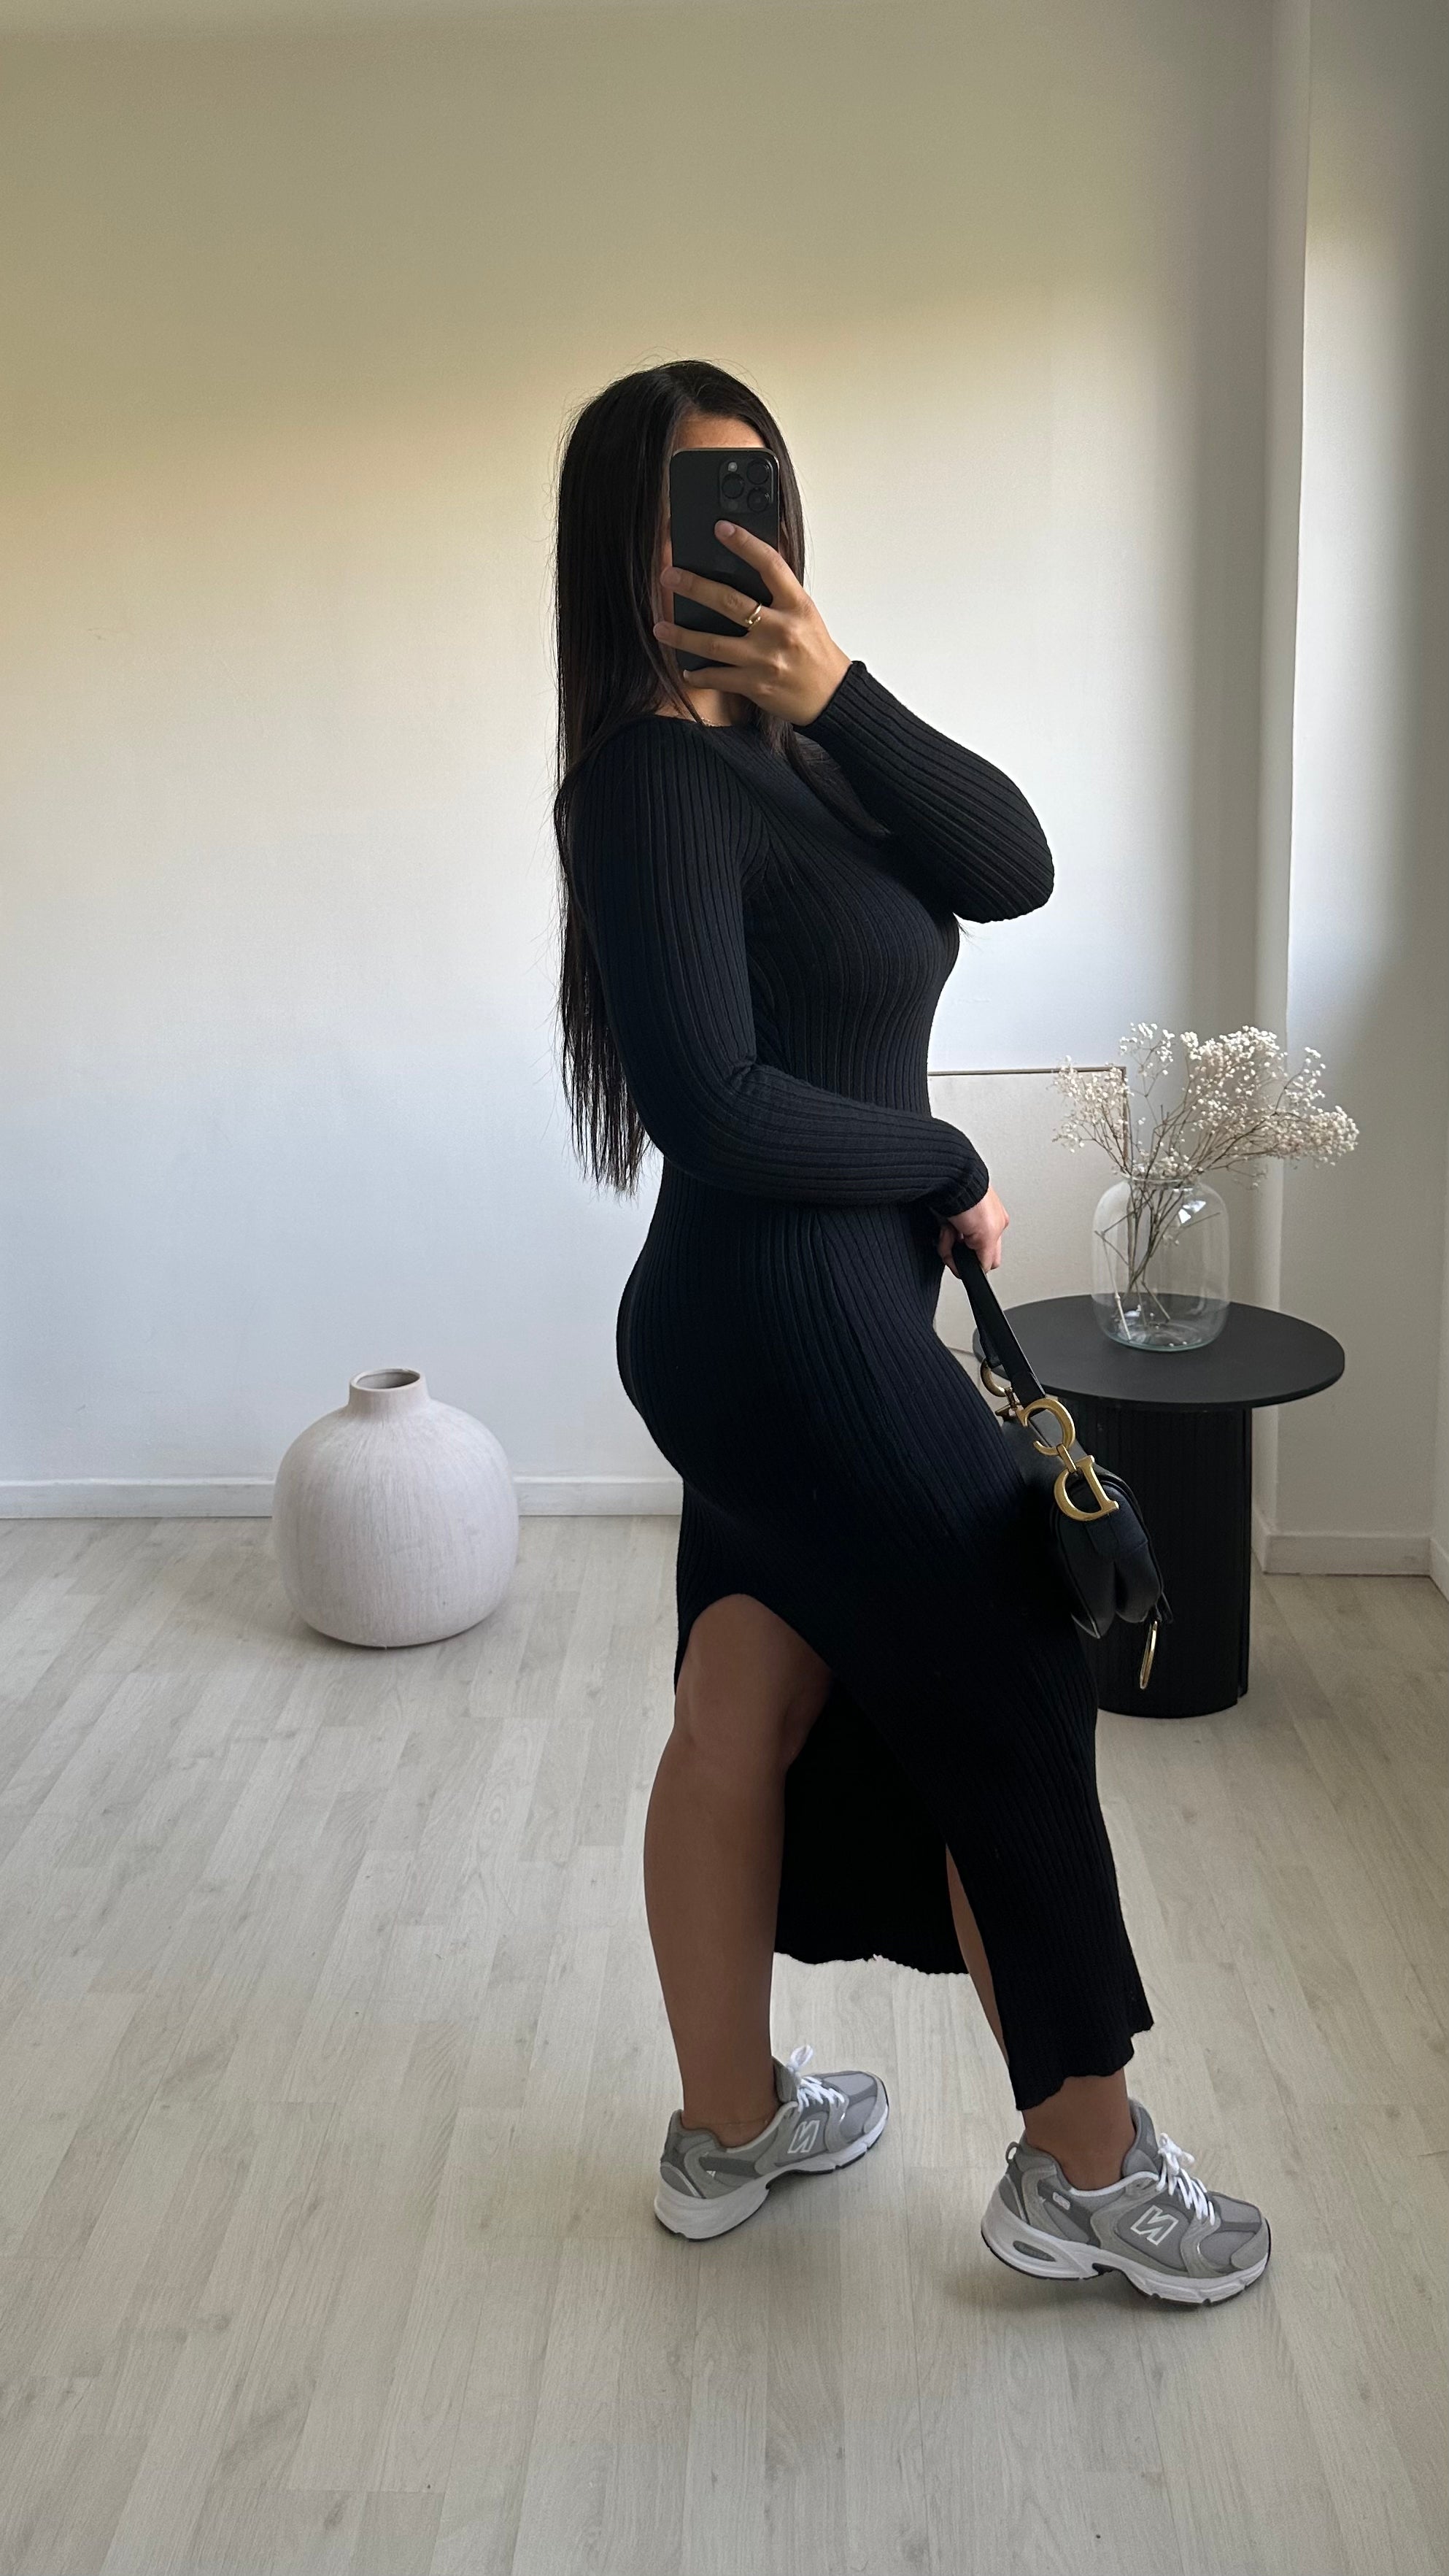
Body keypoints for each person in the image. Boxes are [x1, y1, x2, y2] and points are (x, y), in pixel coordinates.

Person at [552, 359, 1269, 2304]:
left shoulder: (800, 751)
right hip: (772, 1316)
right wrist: (941, 1151)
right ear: (620, 543)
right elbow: (715, 1107)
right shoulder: (643, 779)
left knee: (744, 1699)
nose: (733, 531)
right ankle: (1085, 2169)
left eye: (758, 490)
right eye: (692, 501)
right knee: (1013, 1682)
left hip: (801, 1314)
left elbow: (1007, 866)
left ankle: (729, 2124)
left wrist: (835, 687)